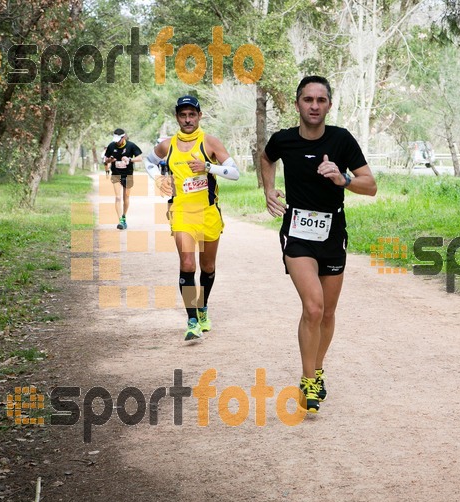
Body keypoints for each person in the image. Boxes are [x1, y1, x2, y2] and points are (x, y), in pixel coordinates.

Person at [260, 75, 377, 413]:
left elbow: (371, 186)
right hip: (297, 232)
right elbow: (266, 158)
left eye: (320, 100)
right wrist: (268, 189)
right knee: (312, 307)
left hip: (332, 233)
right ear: (297, 103)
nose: (314, 106)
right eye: (308, 100)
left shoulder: (341, 140)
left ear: (328, 104)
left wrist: (344, 178)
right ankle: (308, 380)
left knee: (327, 312)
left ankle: (318, 368)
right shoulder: (283, 140)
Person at [143, 95, 239, 341]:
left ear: (199, 116)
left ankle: (203, 306)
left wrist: (208, 167)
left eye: (191, 115)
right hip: (182, 212)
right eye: (183, 115)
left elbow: (235, 172)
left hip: (208, 213)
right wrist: (158, 178)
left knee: (208, 267)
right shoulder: (168, 145)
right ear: (177, 117)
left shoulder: (210, 143)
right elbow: (148, 160)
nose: (187, 119)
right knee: (187, 265)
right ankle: (192, 320)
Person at [103, 128, 142, 230]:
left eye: (118, 140)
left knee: (126, 198)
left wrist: (130, 159)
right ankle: (120, 220)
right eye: (115, 140)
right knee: (118, 197)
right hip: (116, 174)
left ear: (123, 137)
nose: (117, 142)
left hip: (128, 175)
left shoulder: (131, 145)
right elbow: (105, 160)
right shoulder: (111, 146)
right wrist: (110, 160)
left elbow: (140, 158)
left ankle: (124, 217)